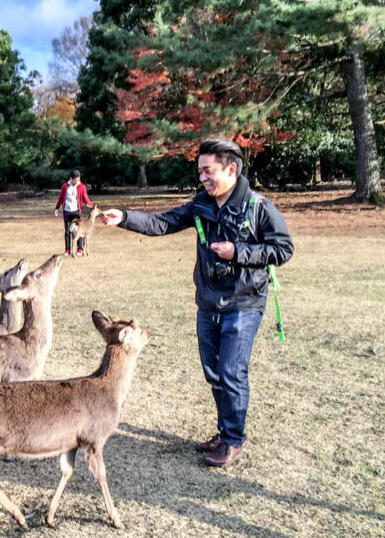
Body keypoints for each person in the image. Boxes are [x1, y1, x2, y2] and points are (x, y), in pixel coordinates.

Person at [99, 138, 294, 467]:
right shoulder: (202, 204)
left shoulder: (259, 207)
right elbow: (164, 222)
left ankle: (233, 441)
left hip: (244, 302)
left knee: (232, 372)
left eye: (208, 170)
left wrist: (239, 253)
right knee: (214, 372)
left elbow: (283, 249)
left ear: (230, 169)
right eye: (200, 171)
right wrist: (125, 217)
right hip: (208, 302)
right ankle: (224, 432)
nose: (202, 177)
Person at [54, 170, 94, 256]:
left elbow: (85, 198)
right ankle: (67, 250)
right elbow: (61, 197)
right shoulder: (65, 186)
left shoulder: (81, 186)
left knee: (79, 231)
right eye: (75, 180)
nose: (77, 181)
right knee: (67, 231)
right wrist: (57, 208)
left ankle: (79, 249)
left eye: (78, 179)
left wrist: (91, 206)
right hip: (67, 211)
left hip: (76, 211)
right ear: (71, 178)